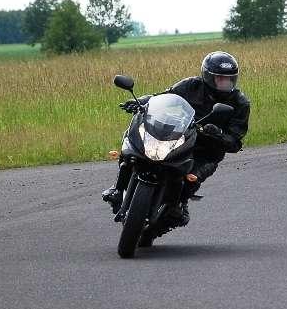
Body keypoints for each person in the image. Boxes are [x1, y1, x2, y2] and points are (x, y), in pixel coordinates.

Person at [102, 50, 251, 226]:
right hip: (178, 137)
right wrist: (141, 101)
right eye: (220, 79)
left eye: (229, 79)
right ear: (208, 76)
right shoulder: (191, 85)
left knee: (191, 177)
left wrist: (216, 134)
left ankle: (178, 205)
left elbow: (235, 142)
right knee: (133, 144)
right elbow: (164, 97)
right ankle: (118, 189)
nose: (225, 83)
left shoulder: (240, 103)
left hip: (206, 151)